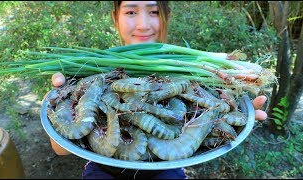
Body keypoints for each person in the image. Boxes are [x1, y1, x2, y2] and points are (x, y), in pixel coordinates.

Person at [48, 1, 268, 179]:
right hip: (102, 171)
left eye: (153, 11)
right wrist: (59, 104)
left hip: (167, 170)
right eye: (131, 11)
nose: (143, 24)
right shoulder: (93, 68)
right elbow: (62, 148)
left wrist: (238, 112)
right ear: (115, 17)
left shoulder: (185, 69)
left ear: (167, 15)